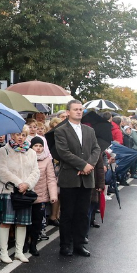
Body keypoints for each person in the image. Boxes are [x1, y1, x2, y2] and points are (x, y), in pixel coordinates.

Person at [53, 100, 100, 257]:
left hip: (87, 179)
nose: (79, 112)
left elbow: (96, 149)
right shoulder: (61, 130)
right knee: (67, 213)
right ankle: (65, 245)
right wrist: (82, 165)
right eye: (75, 109)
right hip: (69, 177)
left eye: (81, 109)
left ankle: (79, 244)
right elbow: (63, 153)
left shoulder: (89, 130)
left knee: (82, 213)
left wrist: (89, 165)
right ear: (68, 112)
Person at [0, 126, 39, 263]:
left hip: (25, 192)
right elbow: (1, 170)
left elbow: (36, 172)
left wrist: (27, 184)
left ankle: (19, 252)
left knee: (22, 223)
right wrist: (19, 183)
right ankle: (4, 252)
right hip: (9, 191)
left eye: (24, 135)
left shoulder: (31, 152)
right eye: (18, 134)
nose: (21, 137)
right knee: (6, 222)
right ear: (12, 135)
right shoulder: (4, 150)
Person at [27, 135, 57, 256]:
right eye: (36, 146)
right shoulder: (26, 157)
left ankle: (33, 244)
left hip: (41, 196)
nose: (38, 148)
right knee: (26, 221)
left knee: (37, 221)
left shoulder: (47, 160)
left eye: (40, 146)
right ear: (31, 147)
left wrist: (53, 195)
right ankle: (25, 243)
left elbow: (51, 178)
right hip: (28, 195)